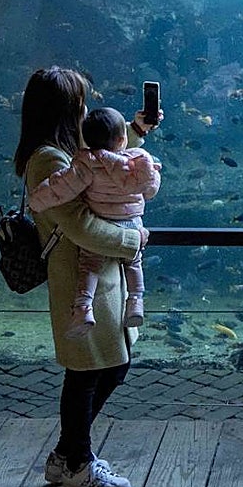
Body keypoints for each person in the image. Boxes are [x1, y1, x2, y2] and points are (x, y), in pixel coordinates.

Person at [13, 66, 162, 487]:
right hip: (76, 278)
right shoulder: (48, 160)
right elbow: (79, 225)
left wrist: (135, 131)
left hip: (99, 277)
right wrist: (133, 240)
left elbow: (101, 161)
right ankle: (77, 463)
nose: (85, 109)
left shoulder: (65, 150)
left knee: (106, 366)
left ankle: (66, 456)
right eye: (79, 102)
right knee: (87, 372)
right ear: (64, 109)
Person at [29, 106, 161, 339]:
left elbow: (61, 187)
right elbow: (147, 185)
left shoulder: (86, 163)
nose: (85, 108)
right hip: (132, 224)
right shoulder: (137, 162)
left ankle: (82, 308)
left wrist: (36, 201)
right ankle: (136, 302)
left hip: (104, 224)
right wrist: (153, 173)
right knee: (134, 263)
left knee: (89, 266)